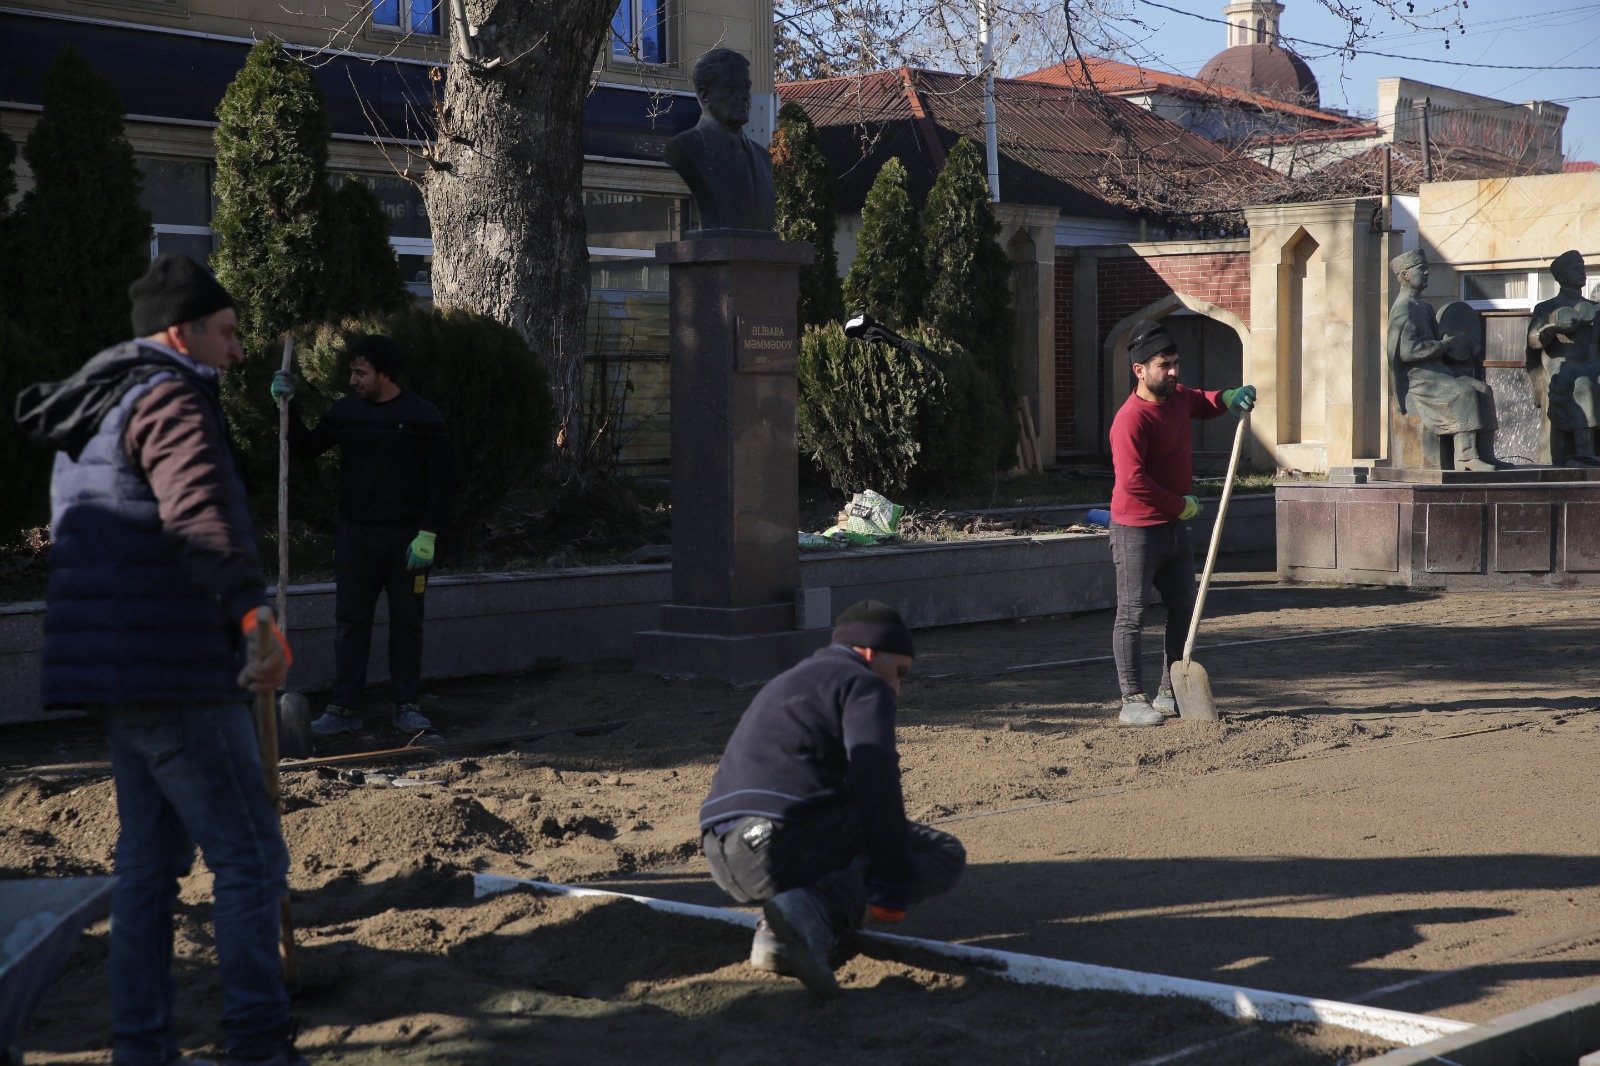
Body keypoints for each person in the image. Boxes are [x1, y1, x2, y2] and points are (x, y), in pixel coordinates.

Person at [14, 252, 306, 1066]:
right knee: (250, 858)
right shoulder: (172, 399)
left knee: (148, 867)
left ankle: (142, 1047)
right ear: (181, 333)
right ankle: (257, 1043)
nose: (238, 350)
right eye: (226, 332)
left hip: (121, 672)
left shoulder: (103, 405)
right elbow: (201, 516)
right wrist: (255, 613)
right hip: (173, 668)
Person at [699, 600, 966, 999]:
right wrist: (890, 889)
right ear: (872, 652)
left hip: (724, 855)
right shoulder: (862, 682)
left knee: (844, 820)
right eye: (900, 673)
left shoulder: (792, 679)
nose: (896, 687)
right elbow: (875, 778)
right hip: (780, 842)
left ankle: (776, 933)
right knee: (942, 852)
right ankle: (811, 911)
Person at [269, 336, 452, 736]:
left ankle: (407, 704)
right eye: (352, 371)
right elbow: (307, 449)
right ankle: (345, 708)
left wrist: (429, 534)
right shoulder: (346, 412)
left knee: (407, 622)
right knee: (350, 621)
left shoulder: (422, 415)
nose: (352, 379)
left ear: (384, 375)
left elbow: (443, 480)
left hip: (407, 538)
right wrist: (288, 405)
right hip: (356, 536)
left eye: (360, 372)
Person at [1109, 319, 1255, 727]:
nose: (1173, 372)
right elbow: (1133, 481)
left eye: (1175, 363)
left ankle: (1168, 690)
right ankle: (1130, 699)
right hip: (1136, 531)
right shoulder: (1130, 420)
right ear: (1140, 370)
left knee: (1184, 610)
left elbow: (1203, 402)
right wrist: (1180, 505)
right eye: (1164, 365)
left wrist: (1229, 396)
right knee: (1132, 614)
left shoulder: (1176, 397)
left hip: (1173, 529)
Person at [1387, 248, 1498, 471]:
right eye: (1421, 270)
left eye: (1427, 269)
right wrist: (1442, 346)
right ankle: (1466, 458)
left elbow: (1442, 339)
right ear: (1405, 275)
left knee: (1483, 390)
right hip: (1420, 378)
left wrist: (1459, 343)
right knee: (1463, 393)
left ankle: (1486, 453)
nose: (1427, 273)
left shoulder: (1425, 307)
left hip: (1439, 373)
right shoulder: (1403, 308)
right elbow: (1407, 352)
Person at [664, 47, 777, 237]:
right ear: (704, 96)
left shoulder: (762, 157)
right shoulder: (685, 147)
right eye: (732, 87)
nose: (744, 96)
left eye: (746, 88)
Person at [1527, 249, 1600, 465]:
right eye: (1576, 269)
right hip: (1560, 367)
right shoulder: (1546, 307)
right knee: (1582, 385)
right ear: (1561, 276)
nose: (1583, 273)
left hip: (1592, 364)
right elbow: (1533, 340)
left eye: (1583, 268)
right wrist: (1554, 327)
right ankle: (1584, 452)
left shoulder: (1595, 308)